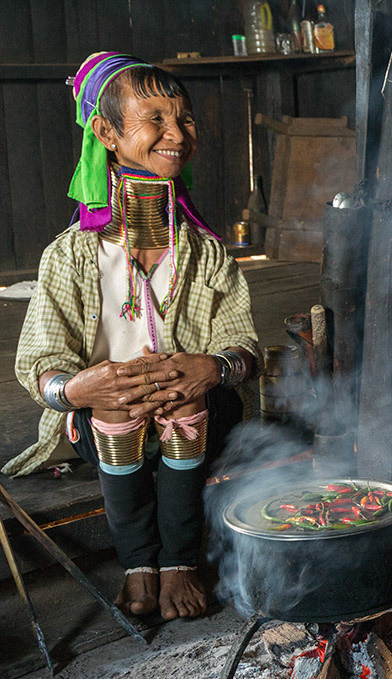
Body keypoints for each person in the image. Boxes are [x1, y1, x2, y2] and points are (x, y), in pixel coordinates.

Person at [5, 53, 259, 620]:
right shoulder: (71, 256)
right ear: (106, 133)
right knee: (116, 406)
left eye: (185, 119)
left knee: (189, 391)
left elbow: (242, 343)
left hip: (192, 414)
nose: (177, 134)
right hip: (103, 421)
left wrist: (213, 368)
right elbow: (39, 363)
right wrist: (77, 390)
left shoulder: (207, 253)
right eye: (155, 119)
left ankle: (179, 563)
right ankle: (139, 564)